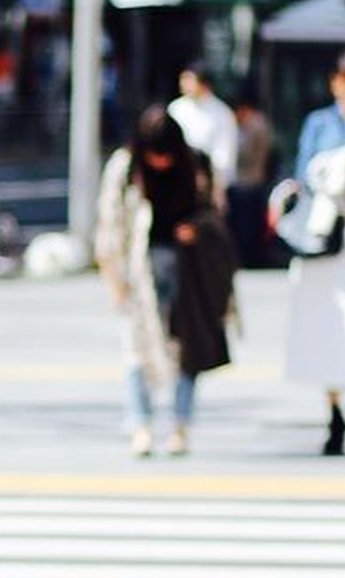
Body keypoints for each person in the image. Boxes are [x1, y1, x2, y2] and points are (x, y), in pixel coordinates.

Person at [96, 106, 237, 458]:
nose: (160, 161)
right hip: (138, 271)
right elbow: (109, 226)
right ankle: (140, 424)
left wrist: (197, 230)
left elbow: (216, 216)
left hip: (189, 272)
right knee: (135, 350)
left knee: (189, 348)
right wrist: (112, 277)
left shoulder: (196, 165)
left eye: (166, 154)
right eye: (153, 154)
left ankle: (180, 425)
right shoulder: (125, 168)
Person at [285, 49, 345, 457]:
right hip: (327, 241)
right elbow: (305, 172)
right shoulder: (320, 123)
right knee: (328, 327)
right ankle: (335, 414)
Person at [167, 61, 238, 202]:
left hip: (208, 182)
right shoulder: (175, 109)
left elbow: (225, 153)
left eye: (189, 80)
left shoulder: (221, 113)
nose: (184, 84)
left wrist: (217, 184)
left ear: (204, 84)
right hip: (176, 178)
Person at [229, 93, 274, 267]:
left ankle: (251, 257)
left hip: (250, 181)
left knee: (249, 224)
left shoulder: (256, 125)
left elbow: (247, 154)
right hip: (247, 181)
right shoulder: (254, 124)